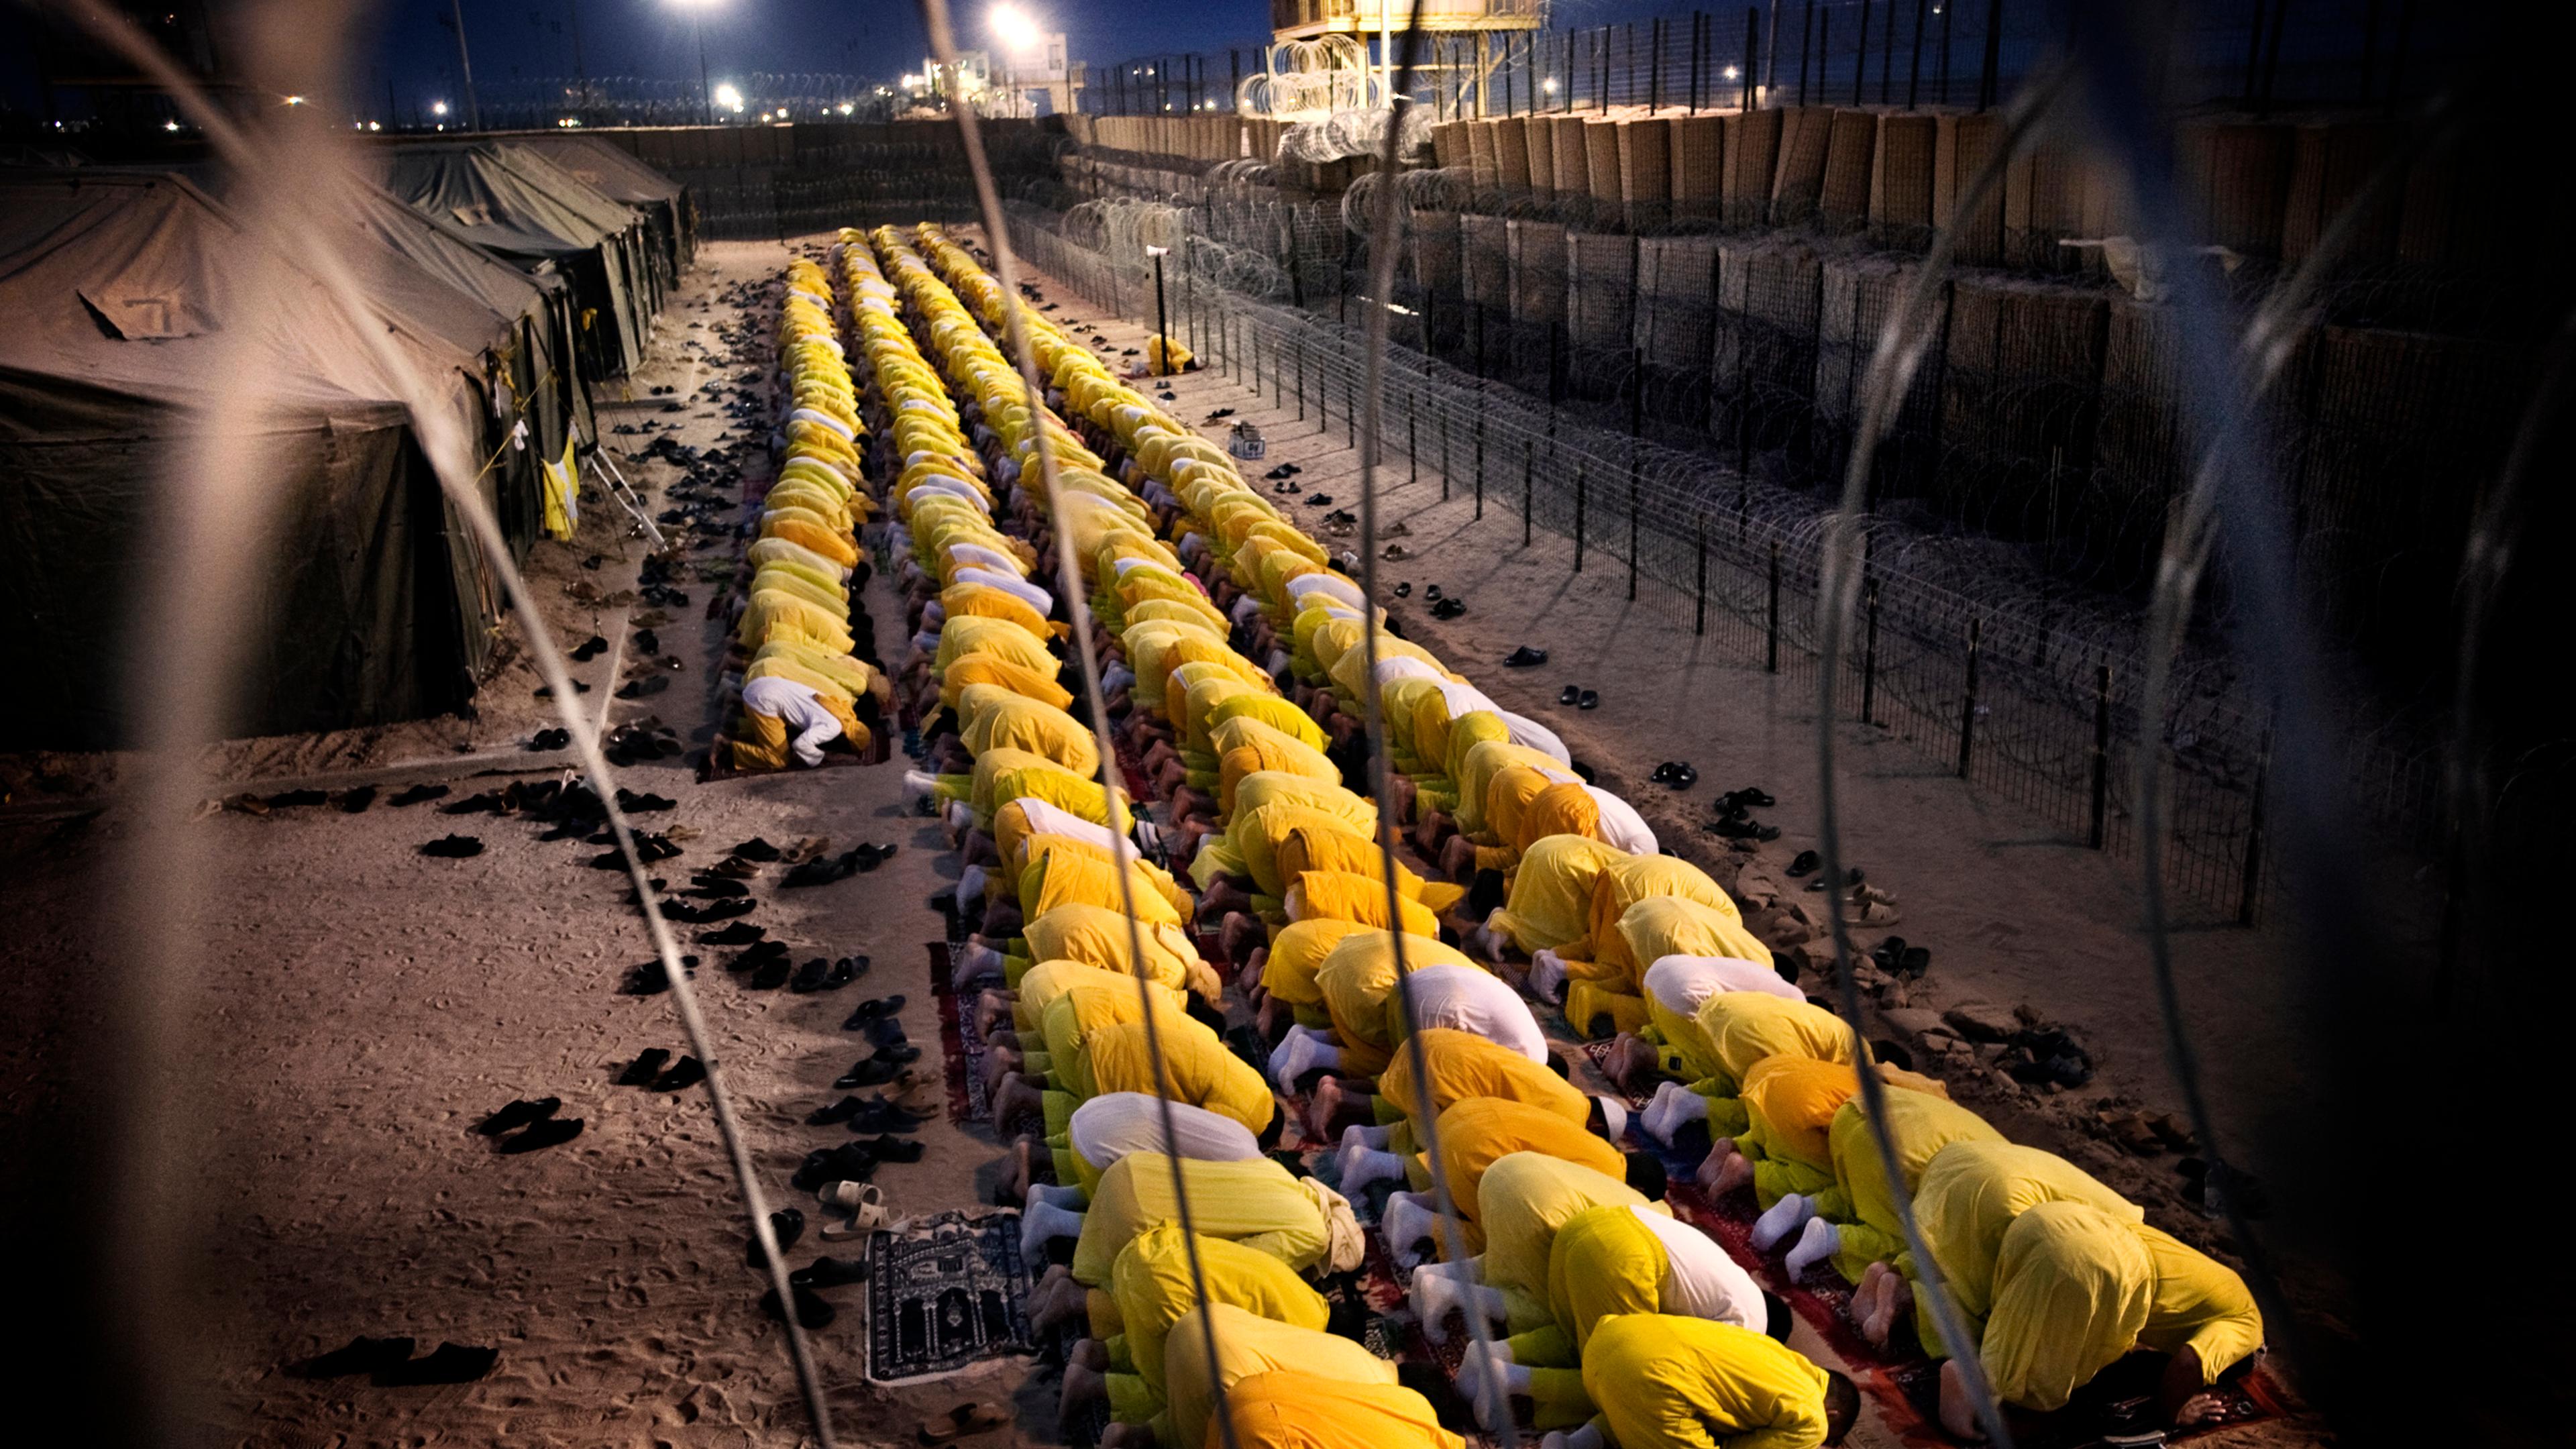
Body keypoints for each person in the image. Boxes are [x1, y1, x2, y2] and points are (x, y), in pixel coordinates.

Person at [1453, 1201, 1776, 1432]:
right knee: (1618, 1374)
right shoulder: (1749, 1328)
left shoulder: (1732, 1283)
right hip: (1625, 1258)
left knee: (1576, 1342)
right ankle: (1512, 1380)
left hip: (1590, 1226)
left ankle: (1495, 1354)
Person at [1538, 1313, 1860, 1449]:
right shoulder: (1812, 1418)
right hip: (1650, 1380)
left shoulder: (1782, 1356)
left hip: (1607, 1337)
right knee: (1659, 1403)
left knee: (1660, 1413)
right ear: (1833, 1418)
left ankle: (1574, 1443)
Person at [732, 672, 859, 769]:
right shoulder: (834, 727)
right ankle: (728, 747)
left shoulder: (838, 711)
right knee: (779, 760)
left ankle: (732, 721)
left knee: (784, 735)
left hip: (760, 683)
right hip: (762, 700)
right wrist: (824, 757)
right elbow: (799, 744)